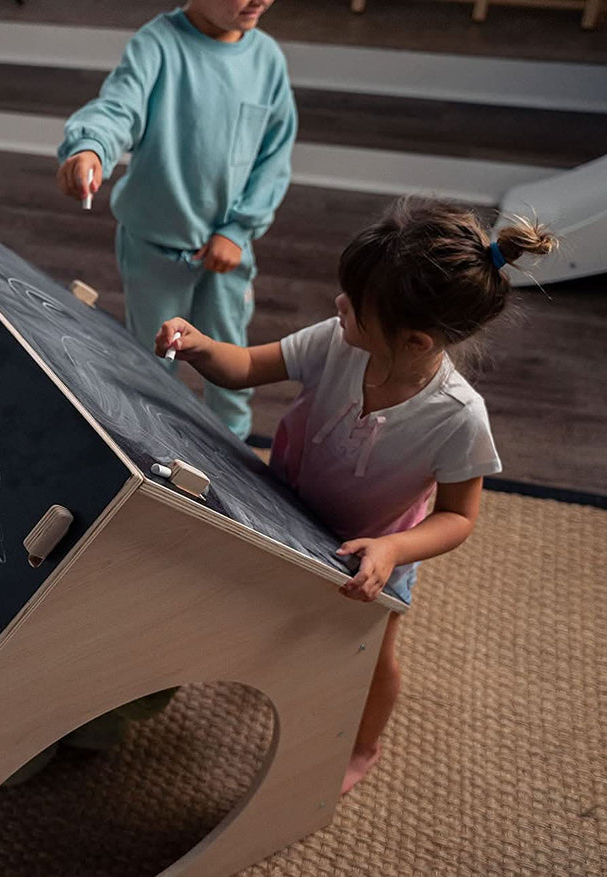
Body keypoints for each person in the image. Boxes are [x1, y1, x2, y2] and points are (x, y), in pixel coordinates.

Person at [154, 197, 557, 793]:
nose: (339, 304)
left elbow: (457, 517)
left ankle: (364, 746)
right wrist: (199, 347)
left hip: (374, 548)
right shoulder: (336, 342)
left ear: (416, 341)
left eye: (357, 306)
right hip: (288, 505)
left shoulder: (459, 418)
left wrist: (393, 552)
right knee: (266, 600)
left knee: (372, 655)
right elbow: (244, 366)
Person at [56, 0, 296, 442]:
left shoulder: (267, 61)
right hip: (154, 248)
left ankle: (234, 445)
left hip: (227, 254)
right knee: (151, 362)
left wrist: (238, 229)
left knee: (229, 353)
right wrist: (90, 147)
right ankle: (151, 448)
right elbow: (118, 109)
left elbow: (273, 158)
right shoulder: (157, 45)